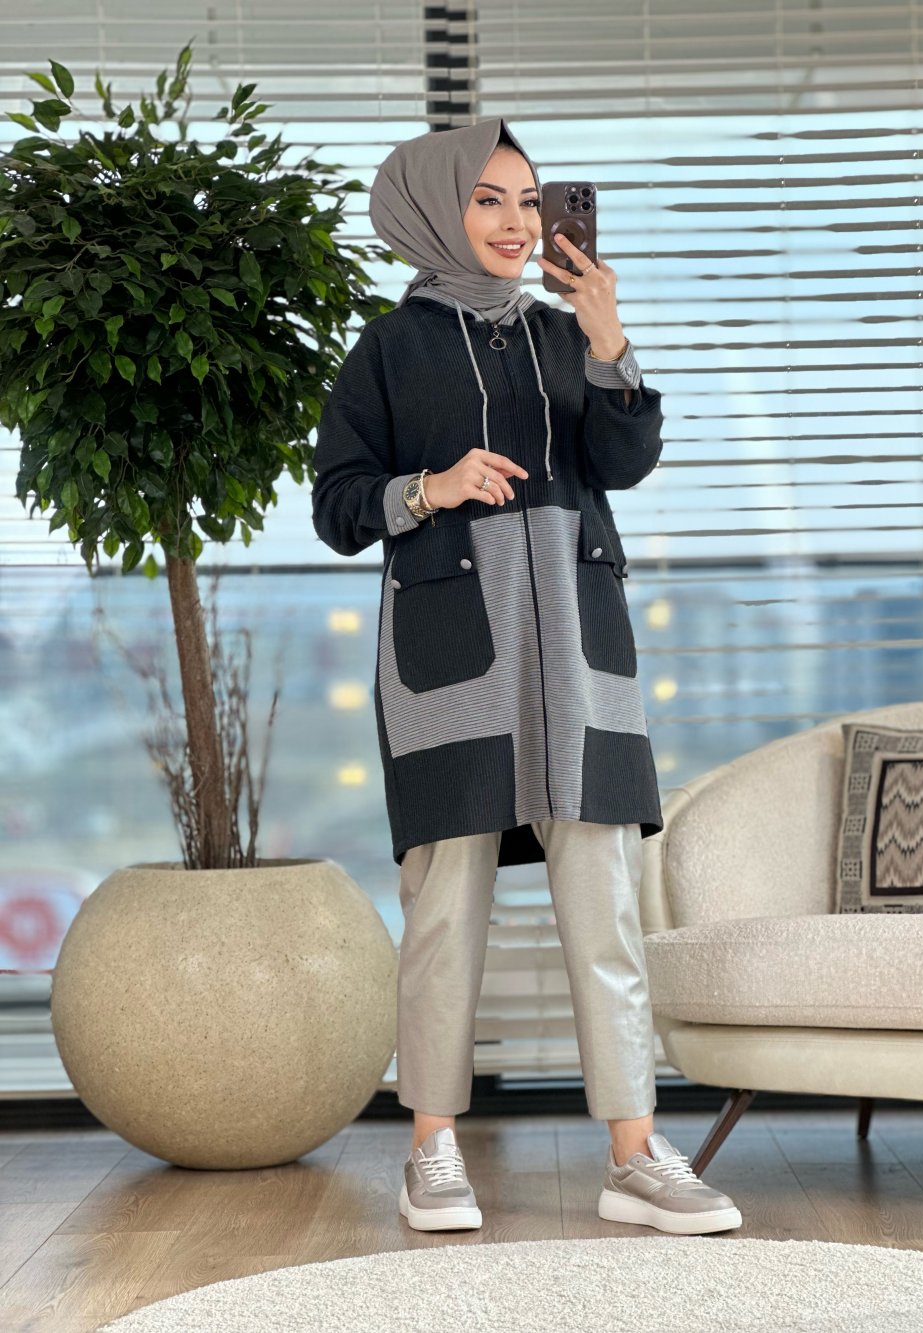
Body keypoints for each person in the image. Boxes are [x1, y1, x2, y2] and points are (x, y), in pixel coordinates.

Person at [311, 117, 743, 1236]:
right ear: (434, 207)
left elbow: (623, 463)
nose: (516, 223)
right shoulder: (388, 349)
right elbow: (337, 505)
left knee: (603, 909)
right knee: (445, 911)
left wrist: (608, 340)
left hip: (580, 658)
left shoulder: (564, 332)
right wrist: (431, 486)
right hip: (454, 657)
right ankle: (431, 1148)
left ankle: (634, 1156)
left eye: (529, 200)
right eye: (488, 199)